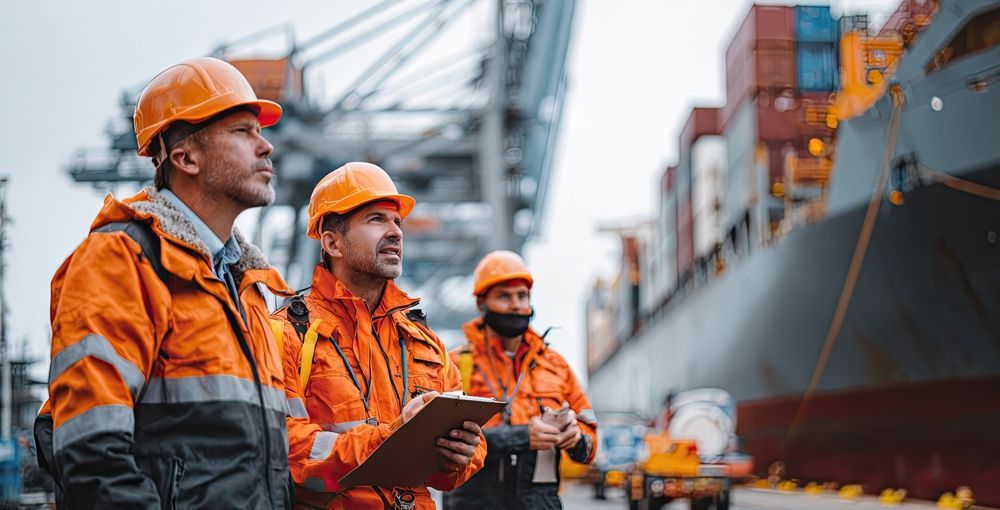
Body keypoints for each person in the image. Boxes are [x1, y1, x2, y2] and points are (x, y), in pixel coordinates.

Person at [34, 57, 293, 509]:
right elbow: (92, 452)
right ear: (185, 157)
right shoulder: (122, 259)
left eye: (260, 131)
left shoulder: (246, 288)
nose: (266, 146)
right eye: (242, 131)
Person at [272, 162, 486, 509]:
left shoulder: (424, 343)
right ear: (332, 242)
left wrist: (461, 454)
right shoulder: (286, 335)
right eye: (376, 219)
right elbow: (284, 449)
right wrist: (387, 441)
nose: (396, 232)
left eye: (397, 222)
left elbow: (457, 467)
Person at [446, 251, 598, 509]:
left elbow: (590, 441)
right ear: (482, 303)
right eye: (504, 296)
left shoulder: (555, 364)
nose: (516, 305)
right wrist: (521, 437)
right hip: (475, 502)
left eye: (522, 296)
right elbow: (443, 440)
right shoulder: (456, 365)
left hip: (540, 502)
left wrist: (577, 438)